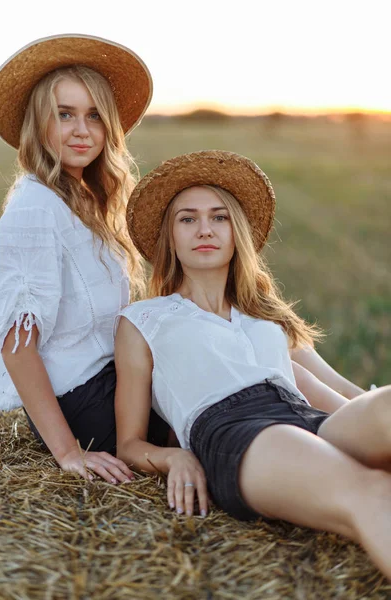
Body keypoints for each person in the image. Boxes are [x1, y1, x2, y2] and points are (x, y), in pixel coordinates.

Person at [114, 150, 391, 579]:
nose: (204, 229)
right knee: (374, 491)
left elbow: (332, 389)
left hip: (305, 420)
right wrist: (173, 458)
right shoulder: (143, 320)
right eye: (187, 219)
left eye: (219, 217)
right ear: (169, 237)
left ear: (236, 231)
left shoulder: (264, 315)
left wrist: (372, 410)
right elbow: (128, 443)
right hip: (238, 433)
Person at [0, 34, 170, 484]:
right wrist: (70, 453)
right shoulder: (34, 207)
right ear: (39, 123)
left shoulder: (82, 199)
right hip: (86, 401)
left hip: (114, 377)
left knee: (244, 329)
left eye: (94, 115)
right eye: (64, 114)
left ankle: (352, 414)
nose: (81, 130)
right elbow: (16, 346)